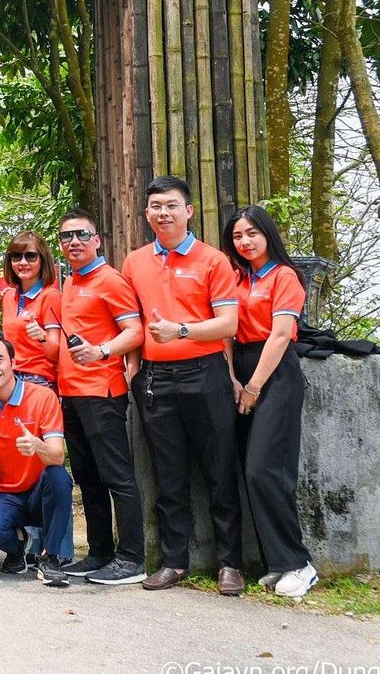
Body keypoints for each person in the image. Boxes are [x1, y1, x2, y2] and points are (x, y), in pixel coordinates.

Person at [123, 176, 244, 596]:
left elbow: (228, 323)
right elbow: (133, 321)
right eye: (155, 206)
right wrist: (133, 368)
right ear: (147, 213)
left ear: (189, 211)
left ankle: (230, 564)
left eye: (172, 205)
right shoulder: (134, 262)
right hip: (156, 381)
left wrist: (182, 330)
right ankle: (174, 562)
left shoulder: (213, 260)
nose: (163, 212)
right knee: (168, 475)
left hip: (204, 373)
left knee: (219, 471)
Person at [222, 205, 318, 599]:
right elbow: (227, 331)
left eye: (252, 234)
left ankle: (300, 563)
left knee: (267, 470)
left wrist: (254, 386)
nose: (244, 242)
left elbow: (280, 337)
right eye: (238, 236)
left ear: (268, 235)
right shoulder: (235, 277)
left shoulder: (284, 276)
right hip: (242, 366)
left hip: (274, 373)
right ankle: (278, 563)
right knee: (248, 471)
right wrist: (231, 376)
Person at [56, 209, 147, 585]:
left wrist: (103, 352)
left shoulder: (110, 280)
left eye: (82, 234)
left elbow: (135, 331)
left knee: (117, 478)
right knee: (87, 478)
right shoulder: (70, 282)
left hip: (103, 391)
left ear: (97, 240)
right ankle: (99, 553)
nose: (74, 242)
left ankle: (131, 559)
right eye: (66, 237)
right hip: (72, 393)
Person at [0, 336, 74, 587]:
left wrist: (38, 446)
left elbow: (58, 455)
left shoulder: (43, 396)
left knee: (59, 476)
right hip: (5, 491)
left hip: (41, 492)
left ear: (13, 362)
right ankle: (17, 551)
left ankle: (52, 557)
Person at [0, 230, 64, 390]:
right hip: (9, 378)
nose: (22, 262)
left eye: (30, 256)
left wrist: (42, 337)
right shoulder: (8, 297)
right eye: (16, 256)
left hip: (39, 380)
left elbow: (56, 353)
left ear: (42, 260)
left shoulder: (50, 296)